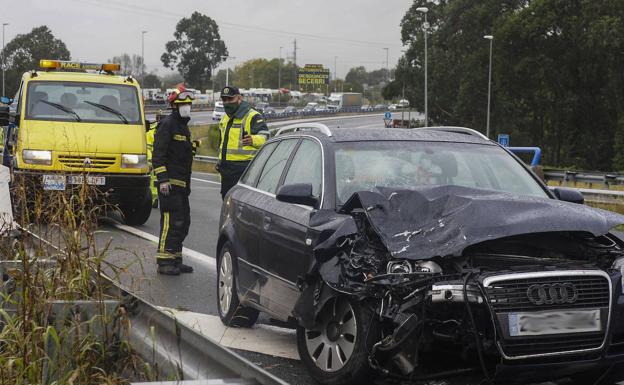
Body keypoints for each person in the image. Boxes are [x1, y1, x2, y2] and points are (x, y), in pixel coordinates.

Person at [152, 85, 195, 275]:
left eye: (188, 104)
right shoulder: (167, 124)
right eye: (183, 104)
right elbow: (158, 155)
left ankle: (175, 258)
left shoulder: (183, 127)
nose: (187, 107)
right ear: (174, 106)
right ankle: (164, 260)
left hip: (181, 186)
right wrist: (163, 180)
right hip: (169, 185)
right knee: (171, 222)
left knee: (183, 222)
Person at [217, 86, 269, 198]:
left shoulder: (252, 115)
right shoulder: (224, 118)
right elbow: (222, 143)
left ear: (239, 98)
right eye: (224, 100)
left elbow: (265, 137)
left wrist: (253, 140)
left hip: (245, 171)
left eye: (230, 99)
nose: (226, 103)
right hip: (226, 171)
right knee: (228, 207)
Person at [146, 111, 166, 208]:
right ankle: (154, 198)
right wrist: (150, 159)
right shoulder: (151, 131)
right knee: (153, 179)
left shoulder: (167, 129)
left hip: (161, 159)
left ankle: (159, 198)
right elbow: (147, 147)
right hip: (154, 159)